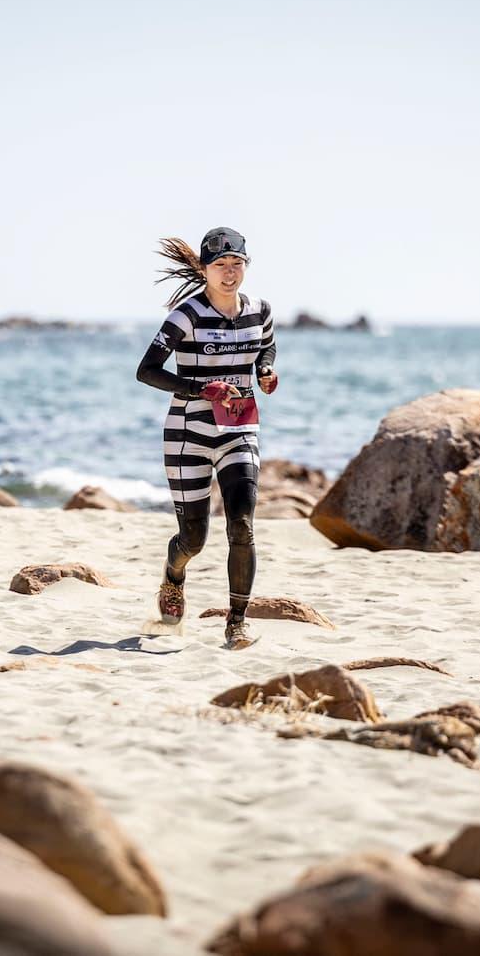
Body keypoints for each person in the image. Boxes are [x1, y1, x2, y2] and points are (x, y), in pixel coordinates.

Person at [135, 227, 278, 649]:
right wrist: (202, 389)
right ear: (204, 269)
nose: (229, 273)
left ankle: (237, 623)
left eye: (237, 264)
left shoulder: (260, 310)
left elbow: (266, 347)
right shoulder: (187, 316)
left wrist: (265, 372)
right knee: (193, 537)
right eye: (220, 266)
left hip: (239, 430)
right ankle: (174, 574)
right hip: (188, 433)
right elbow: (146, 371)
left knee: (242, 525)